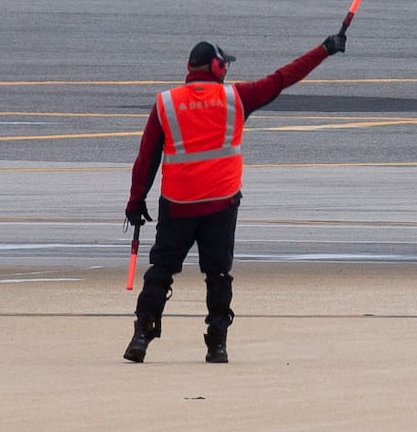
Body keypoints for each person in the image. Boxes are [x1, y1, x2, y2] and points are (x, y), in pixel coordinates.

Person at [123, 30, 344, 363]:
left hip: (178, 205)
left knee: (161, 270)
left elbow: (146, 158)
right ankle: (217, 344)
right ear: (217, 67)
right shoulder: (236, 97)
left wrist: (135, 201)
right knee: (217, 275)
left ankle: (142, 334)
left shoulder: (166, 103)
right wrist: (325, 49)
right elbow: (283, 78)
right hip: (221, 203)